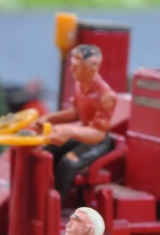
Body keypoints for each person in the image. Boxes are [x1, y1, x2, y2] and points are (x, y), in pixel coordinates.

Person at [38, 44, 116, 198]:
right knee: (46, 152)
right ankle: (42, 194)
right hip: (82, 135)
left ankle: (57, 204)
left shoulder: (106, 96)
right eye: (72, 65)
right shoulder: (79, 85)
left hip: (98, 142)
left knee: (68, 163)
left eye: (76, 67)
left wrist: (70, 131)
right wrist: (49, 118)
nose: (71, 70)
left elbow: (99, 134)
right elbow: (74, 113)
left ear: (91, 68)